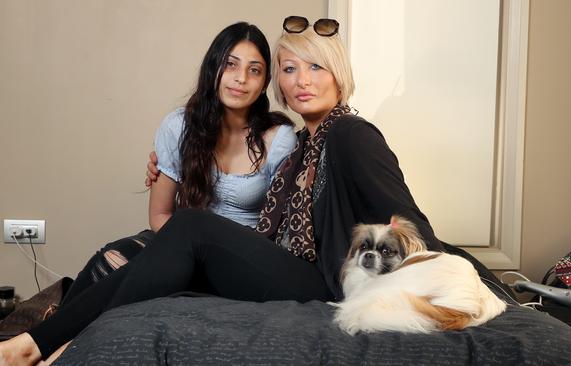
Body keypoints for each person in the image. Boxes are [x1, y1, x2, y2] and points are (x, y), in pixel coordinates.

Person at [0, 16, 445, 365]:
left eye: (316, 67)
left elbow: (407, 220)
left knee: (193, 225)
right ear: (281, 87)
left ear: (339, 75)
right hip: (287, 262)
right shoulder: (309, 140)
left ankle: (35, 344)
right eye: (289, 70)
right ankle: (56, 344)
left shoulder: (349, 134)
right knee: (120, 257)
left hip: (325, 281)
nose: (302, 80)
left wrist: (463, 280)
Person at [58, 21, 296, 306]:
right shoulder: (179, 126)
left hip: (242, 260)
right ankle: (54, 334)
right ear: (213, 68)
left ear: (264, 83)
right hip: (182, 246)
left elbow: (280, 232)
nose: (241, 78)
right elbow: (159, 216)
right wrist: (184, 257)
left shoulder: (278, 139)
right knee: (110, 260)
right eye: (230, 65)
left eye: (254, 70)